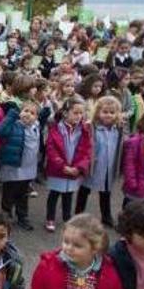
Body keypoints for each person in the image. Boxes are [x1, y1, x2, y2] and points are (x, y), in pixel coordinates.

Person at [44, 96, 92, 232]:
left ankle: (67, 218)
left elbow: (86, 150)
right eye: (75, 113)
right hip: (58, 169)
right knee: (54, 194)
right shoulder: (56, 128)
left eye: (81, 113)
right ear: (65, 113)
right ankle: (50, 218)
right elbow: (51, 149)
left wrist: (79, 167)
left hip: (74, 167)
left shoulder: (84, 130)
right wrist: (62, 166)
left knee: (68, 195)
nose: (78, 116)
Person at [75, 96, 122, 227]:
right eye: (105, 112)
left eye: (112, 112)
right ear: (98, 112)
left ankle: (106, 216)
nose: (108, 115)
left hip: (108, 166)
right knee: (84, 190)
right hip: (93, 166)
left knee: (106, 192)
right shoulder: (91, 127)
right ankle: (78, 215)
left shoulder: (118, 129)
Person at [0, 101, 40, 231]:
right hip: (13, 166)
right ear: (20, 113)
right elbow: (1, 132)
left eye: (32, 113)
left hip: (28, 168)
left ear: (36, 117)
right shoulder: (14, 125)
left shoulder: (36, 126)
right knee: (9, 193)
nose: (28, 115)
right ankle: (6, 216)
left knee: (23, 195)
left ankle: (22, 216)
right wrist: (12, 115)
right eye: (26, 111)